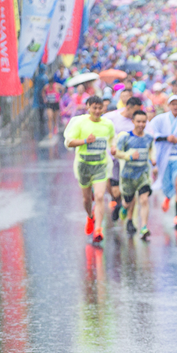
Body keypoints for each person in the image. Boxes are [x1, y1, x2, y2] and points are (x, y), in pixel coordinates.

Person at [64, 96, 116, 244]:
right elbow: (69, 142)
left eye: (100, 108)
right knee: (87, 199)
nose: (97, 111)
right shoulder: (80, 123)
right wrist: (85, 141)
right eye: (94, 108)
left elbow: (112, 138)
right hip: (84, 164)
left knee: (99, 196)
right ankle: (90, 216)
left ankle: (98, 229)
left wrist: (113, 147)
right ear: (88, 108)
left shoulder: (108, 124)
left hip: (100, 164)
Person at [147, 94, 177, 230]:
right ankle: (168, 197)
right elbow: (152, 133)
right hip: (164, 159)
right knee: (167, 184)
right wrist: (165, 138)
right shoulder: (160, 119)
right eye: (173, 104)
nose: (175, 107)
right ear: (168, 106)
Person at [114, 110, 156, 240]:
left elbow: (151, 151)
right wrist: (128, 156)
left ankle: (144, 227)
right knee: (129, 201)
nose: (141, 124)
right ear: (133, 122)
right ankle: (123, 207)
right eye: (138, 121)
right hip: (128, 176)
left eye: (144, 121)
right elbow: (116, 153)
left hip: (143, 175)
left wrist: (153, 160)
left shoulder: (149, 137)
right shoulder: (125, 137)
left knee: (144, 200)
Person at [104, 97, 142, 222]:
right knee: (116, 192)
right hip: (113, 159)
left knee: (132, 190)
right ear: (128, 108)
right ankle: (119, 204)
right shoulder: (111, 117)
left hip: (130, 161)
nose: (136, 115)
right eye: (134, 111)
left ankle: (130, 220)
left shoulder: (136, 121)